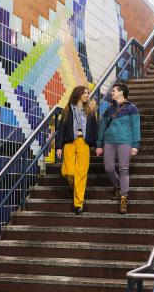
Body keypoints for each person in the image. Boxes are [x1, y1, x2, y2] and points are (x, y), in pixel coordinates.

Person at [96, 82, 140, 214]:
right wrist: (99, 144)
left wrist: (135, 145)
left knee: (123, 169)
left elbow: (135, 127)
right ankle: (119, 186)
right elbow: (102, 128)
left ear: (121, 92)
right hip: (109, 141)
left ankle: (123, 198)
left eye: (114, 90)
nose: (111, 93)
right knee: (108, 168)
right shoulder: (108, 110)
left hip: (125, 141)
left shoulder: (132, 108)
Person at [56, 86, 97, 215]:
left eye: (88, 93)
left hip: (83, 143)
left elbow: (95, 129)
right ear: (78, 94)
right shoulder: (67, 110)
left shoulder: (89, 111)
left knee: (81, 174)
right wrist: (58, 147)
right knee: (68, 171)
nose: (87, 95)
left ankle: (78, 204)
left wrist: (96, 145)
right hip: (70, 143)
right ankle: (77, 193)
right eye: (84, 93)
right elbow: (61, 130)